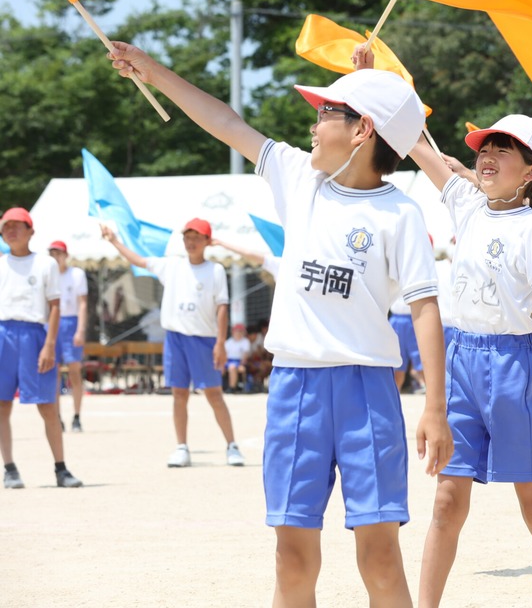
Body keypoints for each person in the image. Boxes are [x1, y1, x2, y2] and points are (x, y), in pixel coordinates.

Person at [106, 42, 452, 608]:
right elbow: (225, 120)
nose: (312, 126)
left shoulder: (401, 215)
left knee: (381, 557)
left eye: (325, 113)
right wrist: (155, 72)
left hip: (369, 392)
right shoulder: (299, 178)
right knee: (292, 557)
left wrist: (434, 408)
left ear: (362, 130)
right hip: (295, 388)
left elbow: (424, 309)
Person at [400, 113, 532, 608]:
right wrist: (374, 83)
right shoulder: (467, 204)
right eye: (483, 149)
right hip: (460, 363)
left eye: (503, 150)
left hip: (512, 368)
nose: (486, 157)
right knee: (447, 501)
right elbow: (415, 141)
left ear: (531, 171)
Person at [102, 219, 244, 468]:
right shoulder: (172, 265)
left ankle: (232, 445)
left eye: (197, 238)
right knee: (179, 393)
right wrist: (114, 240)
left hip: (204, 339)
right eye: (187, 237)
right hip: (175, 338)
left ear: (207, 242)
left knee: (214, 394)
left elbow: (222, 307)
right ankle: (181, 447)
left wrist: (221, 342)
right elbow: (138, 260)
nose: (191, 242)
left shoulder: (216, 270)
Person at [1, 208, 83, 489]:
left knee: (47, 405)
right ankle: (9, 468)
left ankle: (61, 468)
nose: (11, 230)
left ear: (31, 231)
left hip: (36, 336)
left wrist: (49, 345)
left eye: (18, 226)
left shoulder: (45, 264)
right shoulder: (0, 264)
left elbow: (55, 306)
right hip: (3, 335)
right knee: (2, 405)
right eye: (6, 226)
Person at [47, 241, 88, 431]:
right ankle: (57, 416)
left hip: (70, 323)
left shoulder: (76, 274)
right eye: (52, 253)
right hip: (52, 323)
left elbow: (82, 304)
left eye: (58, 253)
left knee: (74, 371)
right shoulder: (47, 274)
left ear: (66, 255)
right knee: (52, 373)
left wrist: (80, 330)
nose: (56, 257)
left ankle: (77, 416)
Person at [223, 323, 250, 394]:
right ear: (233, 332)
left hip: (239, 362)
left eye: (241, 331)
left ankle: (232, 387)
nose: (239, 333)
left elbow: (245, 355)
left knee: (232, 367)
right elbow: (224, 354)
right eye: (237, 331)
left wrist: (242, 363)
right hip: (228, 361)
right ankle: (221, 387)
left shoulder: (245, 341)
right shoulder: (228, 342)